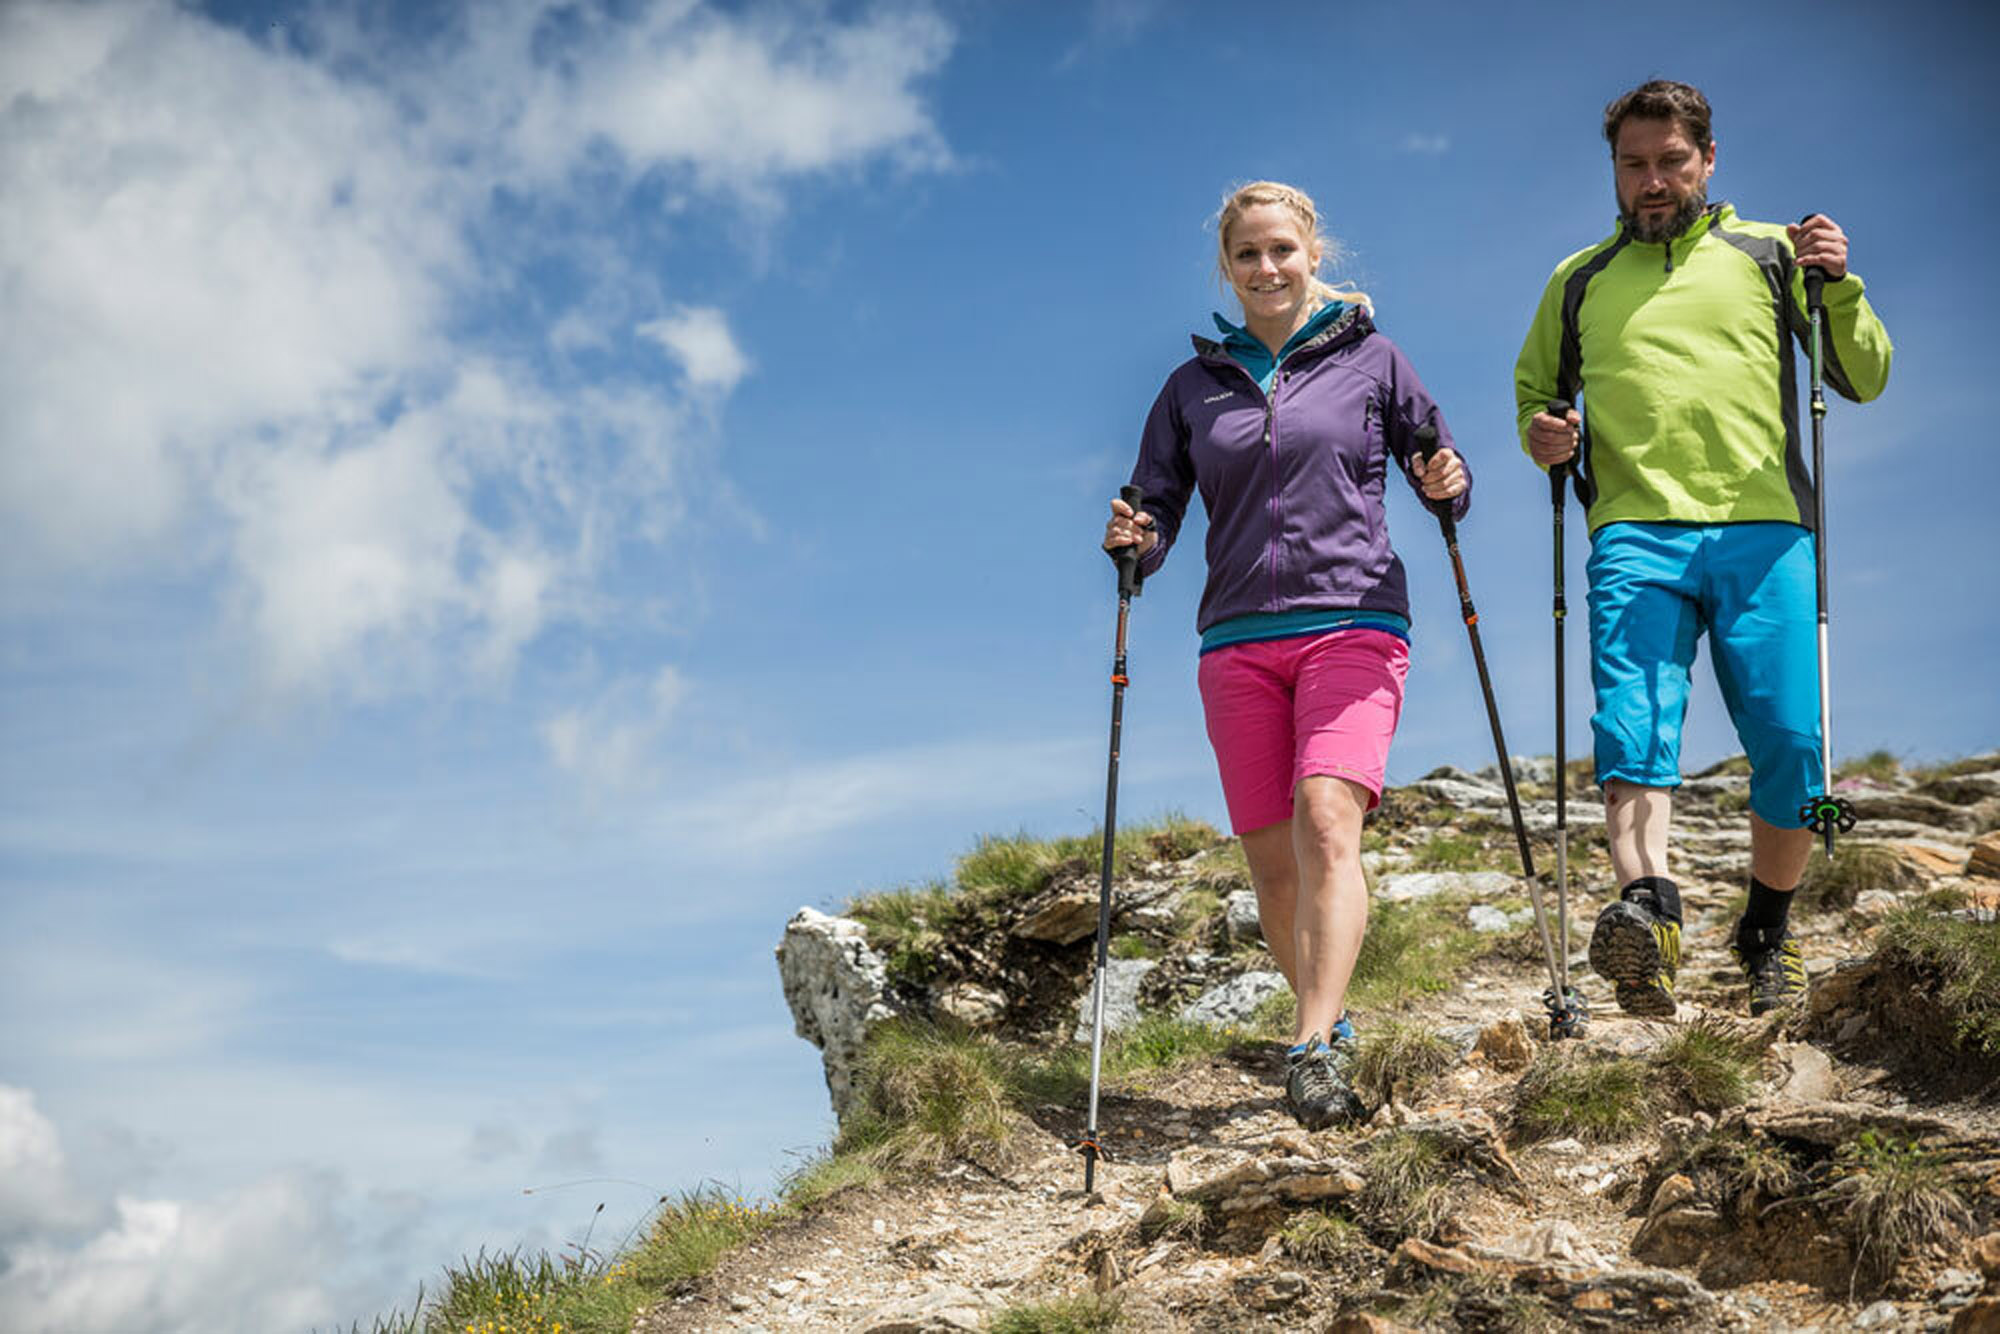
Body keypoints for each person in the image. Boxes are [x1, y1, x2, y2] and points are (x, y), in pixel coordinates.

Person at [1513, 81, 1892, 1019]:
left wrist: (1839, 284)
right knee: (1633, 731)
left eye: (1670, 162)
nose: (1652, 181)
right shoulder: (1579, 280)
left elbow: (1864, 377)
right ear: (1614, 169)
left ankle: (1767, 929)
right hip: (1633, 534)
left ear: (1707, 159)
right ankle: (1651, 913)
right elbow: (1537, 396)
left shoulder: (1771, 255)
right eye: (1634, 165)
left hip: (1766, 530)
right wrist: (1543, 433)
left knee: (1797, 746)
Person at [1103, 181, 1469, 1130]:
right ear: (1226, 270)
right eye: (1247, 256)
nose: (1267, 268)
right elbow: (1159, 503)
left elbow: (1440, 472)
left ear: (1312, 255)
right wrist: (1135, 537)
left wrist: (1446, 482)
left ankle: (1308, 1046)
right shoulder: (1192, 387)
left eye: (1282, 251)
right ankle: (1332, 1020)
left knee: (1325, 817)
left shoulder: (1374, 359)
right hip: (1235, 639)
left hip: (1354, 618)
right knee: (1271, 864)